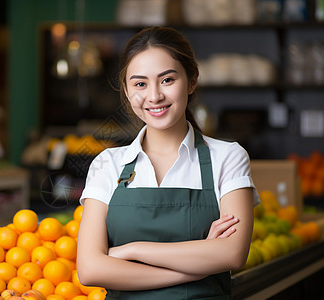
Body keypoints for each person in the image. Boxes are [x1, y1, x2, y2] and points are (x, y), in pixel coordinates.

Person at [76, 26, 260, 299]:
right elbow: (91, 270)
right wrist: (197, 267)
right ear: (126, 91)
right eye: (140, 84)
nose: (154, 96)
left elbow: (233, 253)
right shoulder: (107, 164)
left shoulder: (228, 157)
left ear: (192, 80)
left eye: (167, 80)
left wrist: (132, 250)